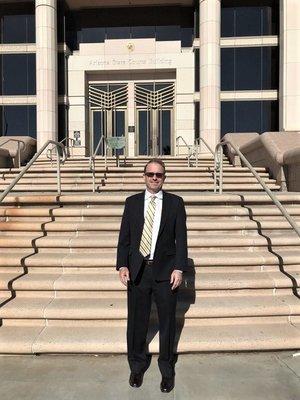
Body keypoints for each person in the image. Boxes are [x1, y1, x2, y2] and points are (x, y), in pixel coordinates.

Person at [116, 158, 188, 393]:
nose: (155, 178)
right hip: (138, 271)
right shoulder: (132, 203)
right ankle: (136, 366)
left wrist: (179, 268)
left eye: (159, 175)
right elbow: (124, 238)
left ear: (164, 177)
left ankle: (167, 370)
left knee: (167, 323)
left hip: (165, 273)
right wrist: (122, 265)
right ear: (144, 176)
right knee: (137, 322)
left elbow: (181, 240)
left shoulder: (176, 203)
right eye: (150, 174)